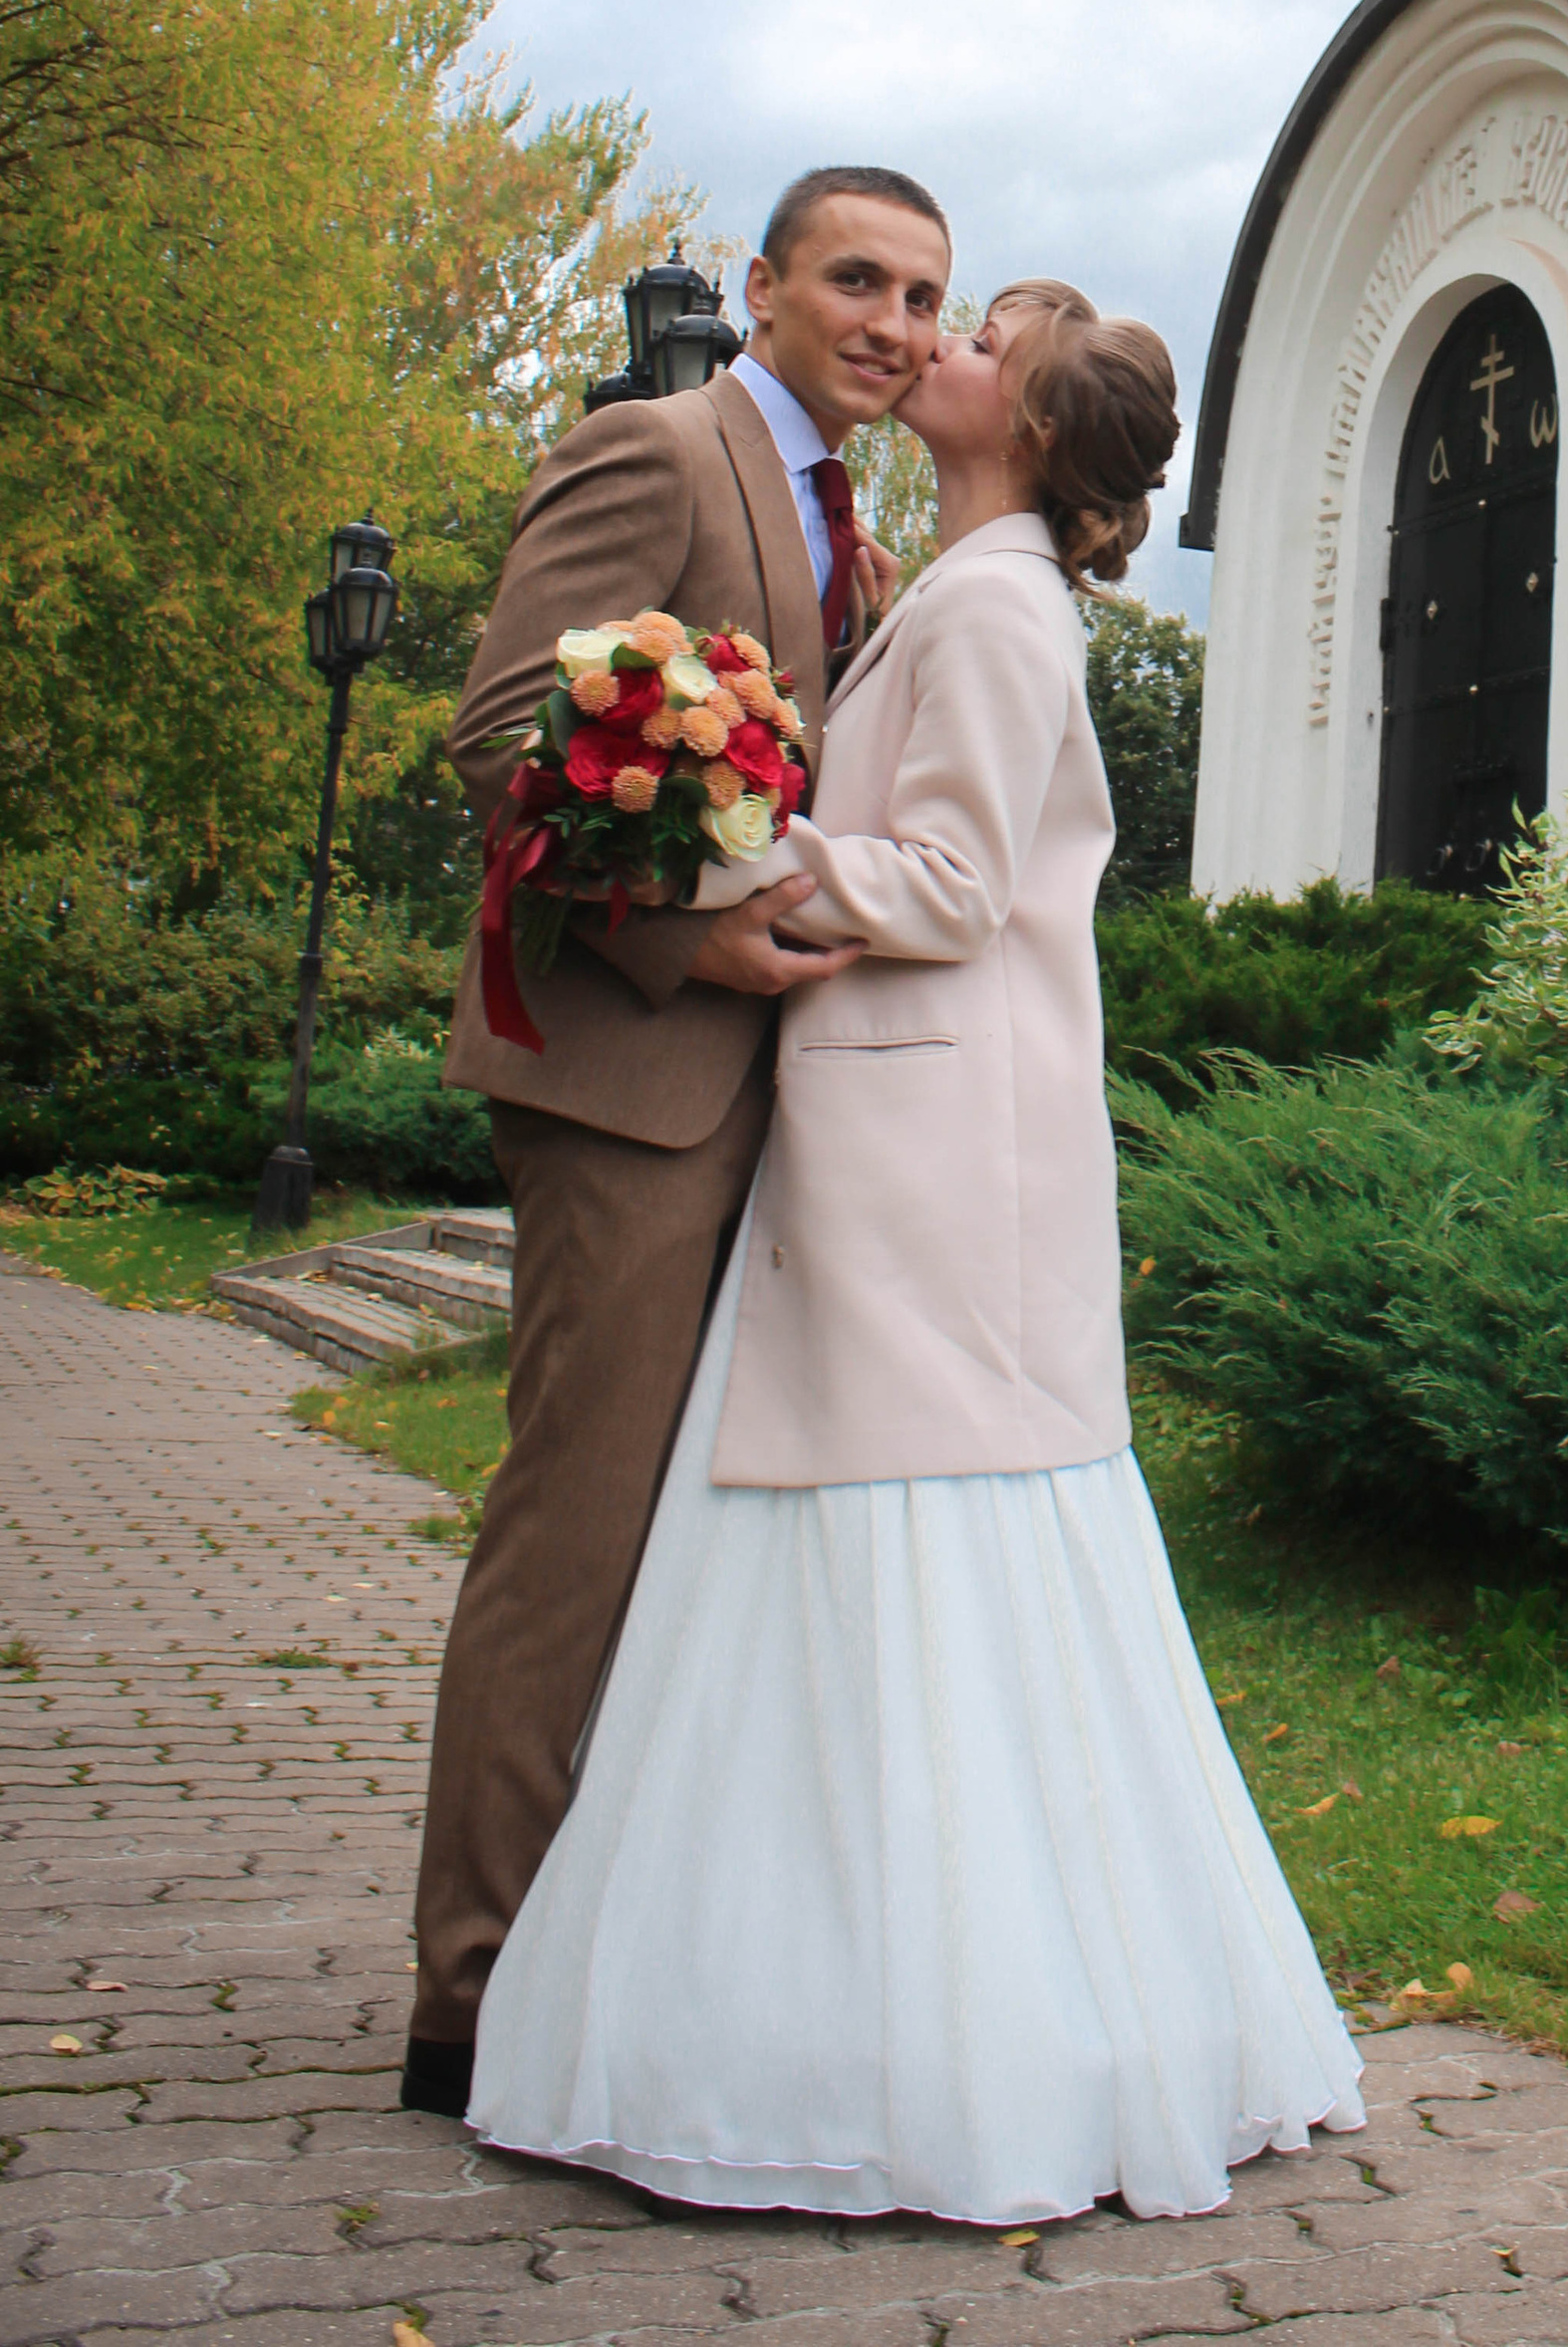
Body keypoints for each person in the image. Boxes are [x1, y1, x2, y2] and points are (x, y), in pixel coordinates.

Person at [467, 286, 1365, 2221]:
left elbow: (953, 881)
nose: (937, 343)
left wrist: (716, 860)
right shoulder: (960, 580)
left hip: (936, 1146)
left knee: (909, 1537)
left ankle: (931, 2036)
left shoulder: (992, 600)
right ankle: (882, 2008)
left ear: (1026, 426)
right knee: (882, 1537)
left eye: (985, 337)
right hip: (904, 1135)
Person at [402, 167, 952, 2120]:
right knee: (580, 1527)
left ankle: (611, 1953)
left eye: (921, 295)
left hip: (781, 1102)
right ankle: (469, 1989)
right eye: (856, 281)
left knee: (696, 1543)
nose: (891, 322)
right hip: (625, 1075)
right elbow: (496, 735)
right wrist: (682, 936)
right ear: (768, 287)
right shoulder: (660, 447)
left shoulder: (855, 521)